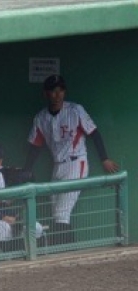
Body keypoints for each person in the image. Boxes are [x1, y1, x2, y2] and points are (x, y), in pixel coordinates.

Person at [24, 74, 120, 245]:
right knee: (56, 211)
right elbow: (35, 146)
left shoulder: (76, 110)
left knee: (62, 212)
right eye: (53, 91)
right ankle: (64, 248)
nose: (57, 94)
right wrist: (27, 169)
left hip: (76, 163)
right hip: (57, 166)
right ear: (46, 93)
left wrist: (104, 159)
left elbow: (94, 133)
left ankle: (64, 251)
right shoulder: (40, 118)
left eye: (60, 90)